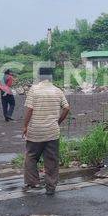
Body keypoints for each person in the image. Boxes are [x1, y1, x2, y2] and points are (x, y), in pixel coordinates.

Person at [23, 67, 69, 195]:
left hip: (35, 131)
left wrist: (25, 126)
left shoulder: (34, 90)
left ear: (39, 77)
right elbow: (66, 108)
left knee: (31, 156)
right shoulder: (58, 91)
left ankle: (34, 182)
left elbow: (30, 110)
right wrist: (58, 122)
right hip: (52, 132)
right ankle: (51, 187)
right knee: (51, 160)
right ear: (51, 77)